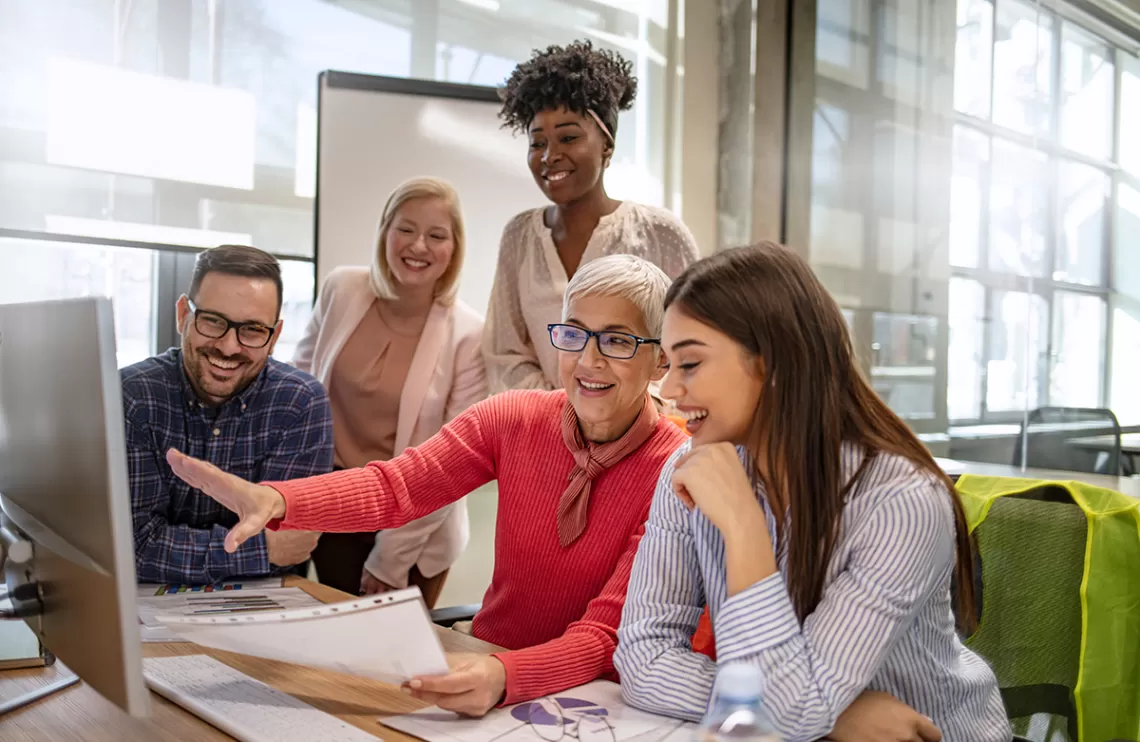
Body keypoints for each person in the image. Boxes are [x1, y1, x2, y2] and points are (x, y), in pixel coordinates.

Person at [162, 255, 688, 716]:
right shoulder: (514, 418)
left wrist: (507, 676)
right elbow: (397, 487)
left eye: (617, 341)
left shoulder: (675, 469)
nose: (589, 360)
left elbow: (603, 637)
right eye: (574, 333)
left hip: (594, 699)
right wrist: (279, 499)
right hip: (486, 664)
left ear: (661, 358)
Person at [614, 244, 1013, 742]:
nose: (669, 389)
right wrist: (836, 716)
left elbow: (795, 710)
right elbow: (642, 657)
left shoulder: (902, 502)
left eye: (689, 363)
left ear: (774, 364)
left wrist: (742, 526)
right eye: (667, 365)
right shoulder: (689, 469)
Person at [294, 177, 485, 605]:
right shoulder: (342, 288)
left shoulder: (470, 334)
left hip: (415, 525)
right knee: (331, 652)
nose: (418, 246)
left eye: (436, 235)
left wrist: (391, 559)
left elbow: (452, 463)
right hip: (335, 503)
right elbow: (297, 389)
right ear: (385, 230)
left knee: (392, 663)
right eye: (406, 229)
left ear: (454, 249)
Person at [484, 40, 700, 394]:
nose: (550, 155)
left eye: (568, 137)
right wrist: (566, 412)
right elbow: (504, 353)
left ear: (607, 146)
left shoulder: (660, 233)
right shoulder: (520, 236)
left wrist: (622, 415)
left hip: (645, 436)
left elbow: (691, 345)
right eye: (537, 143)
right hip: (545, 433)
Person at [122, 244, 333, 585]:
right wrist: (261, 550)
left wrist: (178, 548)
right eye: (213, 321)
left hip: (260, 613)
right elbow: (133, 546)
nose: (229, 346)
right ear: (182, 315)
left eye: (251, 329)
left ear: (274, 336)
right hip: (145, 613)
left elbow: (292, 547)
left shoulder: (300, 403)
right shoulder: (132, 397)